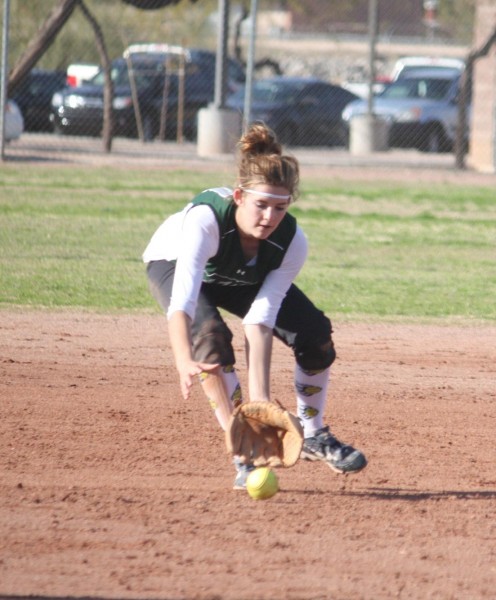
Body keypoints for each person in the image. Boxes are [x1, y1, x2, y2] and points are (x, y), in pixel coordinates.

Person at [143, 122, 367, 490]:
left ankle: (312, 434)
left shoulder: (292, 242)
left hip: (241, 276)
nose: (269, 217)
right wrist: (183, 358)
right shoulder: (206, 221)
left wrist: (262, 400)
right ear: (238, 197)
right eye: (261, 204)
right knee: (211, 336)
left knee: (314, 333)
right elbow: (183, 298)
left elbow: (260, 318)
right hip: (172, 262)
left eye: (280, 207)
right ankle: (244, 451)